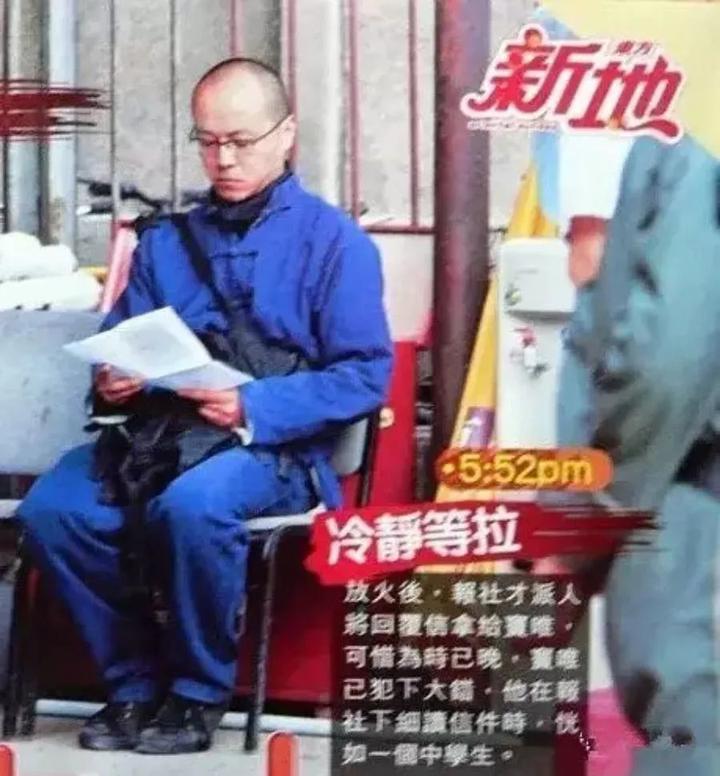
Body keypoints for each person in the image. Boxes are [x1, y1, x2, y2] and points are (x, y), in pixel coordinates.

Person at [17, 57, 393, 755]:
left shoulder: (335, 244)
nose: (223, 159)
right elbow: (120, 340)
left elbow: (364, 376)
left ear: (286, 135)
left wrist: (254, 405)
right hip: (158, 434)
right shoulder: (166, 242)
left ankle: (196, 693)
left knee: (193, 506)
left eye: (241, 141)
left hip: (269, 445)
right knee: (54, 509)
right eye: (208, 141)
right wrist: (113, 379)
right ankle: (133, 686)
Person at [560, 134, 720, 773]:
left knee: (691, 724)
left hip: (684, 485)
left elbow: (664, 367)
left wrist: (587, 517)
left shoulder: (688, 139)